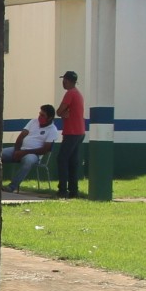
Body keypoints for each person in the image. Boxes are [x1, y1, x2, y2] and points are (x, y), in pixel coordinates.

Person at [1, 103, 60, 192]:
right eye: (40, 114)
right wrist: (17, 151)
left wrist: (24, 153)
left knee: (28, 162)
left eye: (43, 115)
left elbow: (44, 150)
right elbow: (21, 136)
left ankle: (11, 187)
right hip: (19, 149)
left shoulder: (53, 130)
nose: (40, 116)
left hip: (33, 155)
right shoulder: (33, 122)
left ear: (50, 118)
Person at [56, 70, 86, 198]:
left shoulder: (70, 94)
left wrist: (63, 112)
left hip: (71, 132)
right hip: (80, 132)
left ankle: (62, 190)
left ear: (68, 81)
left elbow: (59, 111)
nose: (63, 83)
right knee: (72, 161)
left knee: (62, 159)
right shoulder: (78, 94)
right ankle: (74, 190)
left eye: (64, 80)